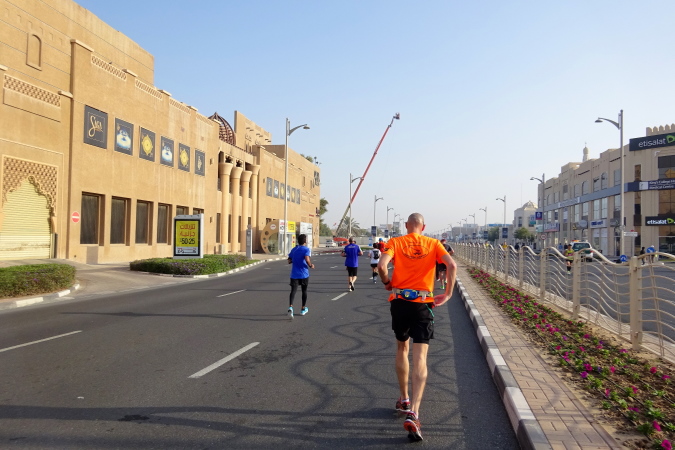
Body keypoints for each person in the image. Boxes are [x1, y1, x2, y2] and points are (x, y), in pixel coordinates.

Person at [377, 213, 456, 441]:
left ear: (406, 225)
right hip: (423, 303)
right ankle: (414, 413)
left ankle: (404, 399)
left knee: (402, 348)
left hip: (399, 301)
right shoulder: (433, 243)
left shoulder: (396, 242)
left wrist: (387, 283)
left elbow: (382, 265)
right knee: (420, 357)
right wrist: (448, 294)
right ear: (424, 226)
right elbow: (451, 265)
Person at [287, 233, 314, 319]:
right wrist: (311, 265)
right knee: (304, 291)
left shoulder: (294, 249)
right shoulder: (306, 249)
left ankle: (290, 307)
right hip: (304, 274)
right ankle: (303, 309)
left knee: (293, 291)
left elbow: (289, 260)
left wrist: (293, 260)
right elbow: (307, 259)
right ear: (305, 241)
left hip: (294, 274)